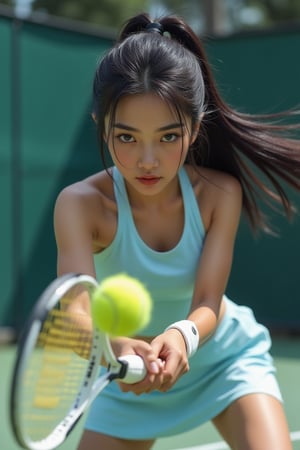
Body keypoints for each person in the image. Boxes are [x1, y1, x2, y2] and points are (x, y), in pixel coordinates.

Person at [54, 12, 300, 450]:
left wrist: (181, 336)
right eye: (126, 137)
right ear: (101, 125)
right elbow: (76, 313)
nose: (147, 160)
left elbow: (208, 300)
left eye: (167, 137)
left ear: (194, 128)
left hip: (224, 360)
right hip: (128, 372)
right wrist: (115, 349)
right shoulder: (79, 206)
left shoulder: (220, 193)